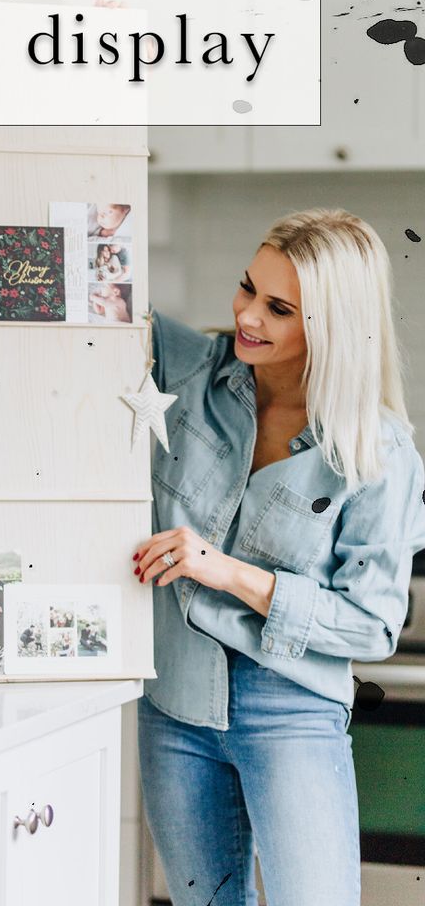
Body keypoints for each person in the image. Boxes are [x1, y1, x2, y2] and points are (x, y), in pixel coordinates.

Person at [133, 208, 425, 906]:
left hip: (289, 708)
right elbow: (97, 306)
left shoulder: (377, 452)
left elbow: (374, 626)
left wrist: (224, 569)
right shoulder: (193, 373)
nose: (247, 316)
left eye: (278, 307)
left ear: (331, 323)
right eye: (247, 288)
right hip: (175, 702)